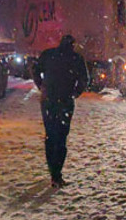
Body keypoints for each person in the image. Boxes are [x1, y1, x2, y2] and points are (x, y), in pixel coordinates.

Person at [32, 34, 89, 188]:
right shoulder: (76, 59)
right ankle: (58, 174)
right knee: (61, 136)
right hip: (65, 100)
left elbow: (35, 70)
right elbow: (84, 79)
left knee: (50, 135)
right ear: (72, 45)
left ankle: (53, 172)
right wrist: (74, 93)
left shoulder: (48, 55)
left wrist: (42, 86)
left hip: (49, 99)